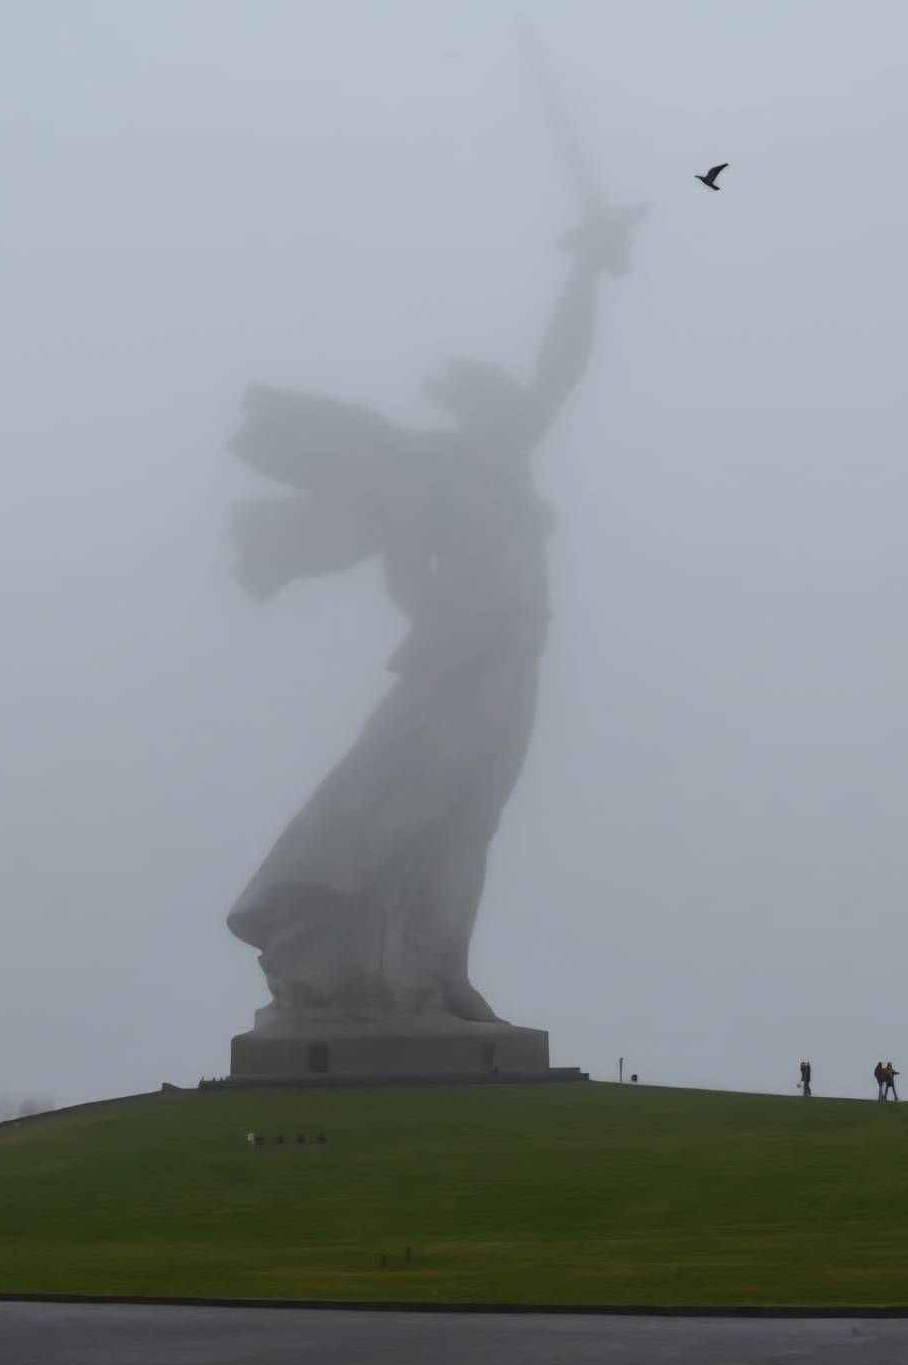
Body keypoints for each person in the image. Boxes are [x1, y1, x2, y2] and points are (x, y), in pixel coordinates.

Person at [226, 208, 638, 1019]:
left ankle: (433, 969)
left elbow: (560, 366)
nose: (520, 405)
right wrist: (455, 614)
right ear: (480, 409)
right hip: (467, 654)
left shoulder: (491, 461)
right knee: (418, 796)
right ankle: (339, 949)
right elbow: (407, 569)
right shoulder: (447, 466)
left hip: (510, 647)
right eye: (500, 396)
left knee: (471, 813)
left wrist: (588, 267)